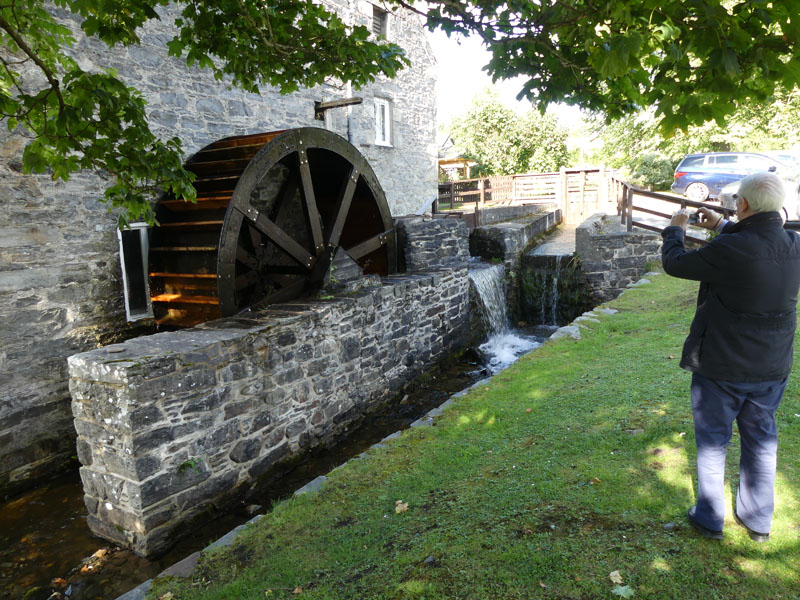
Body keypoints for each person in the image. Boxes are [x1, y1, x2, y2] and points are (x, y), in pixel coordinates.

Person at [661, 171, 800, 542]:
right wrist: (722, 225)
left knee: (713, 442)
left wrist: (675, 229)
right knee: (761, 441)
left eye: (736, 201)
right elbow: (757, 246)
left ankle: (709, 518)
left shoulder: (730, 250)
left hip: (722, 364)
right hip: (772, 364)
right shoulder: (794, 243)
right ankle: (758, 521)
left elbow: (676, 263)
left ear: (745, 204)